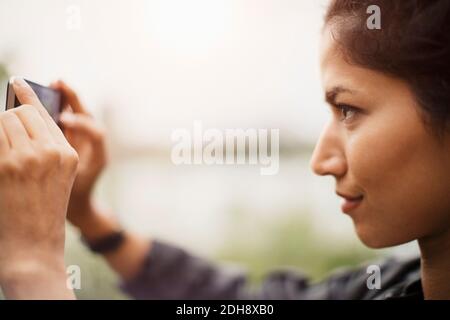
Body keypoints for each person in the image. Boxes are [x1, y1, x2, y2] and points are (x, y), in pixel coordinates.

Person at [0, 0, 449, 299]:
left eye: (348, 109)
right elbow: (237, 303)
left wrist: (34, 268)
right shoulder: (392, 285)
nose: (319, 161)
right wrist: (89, 217)